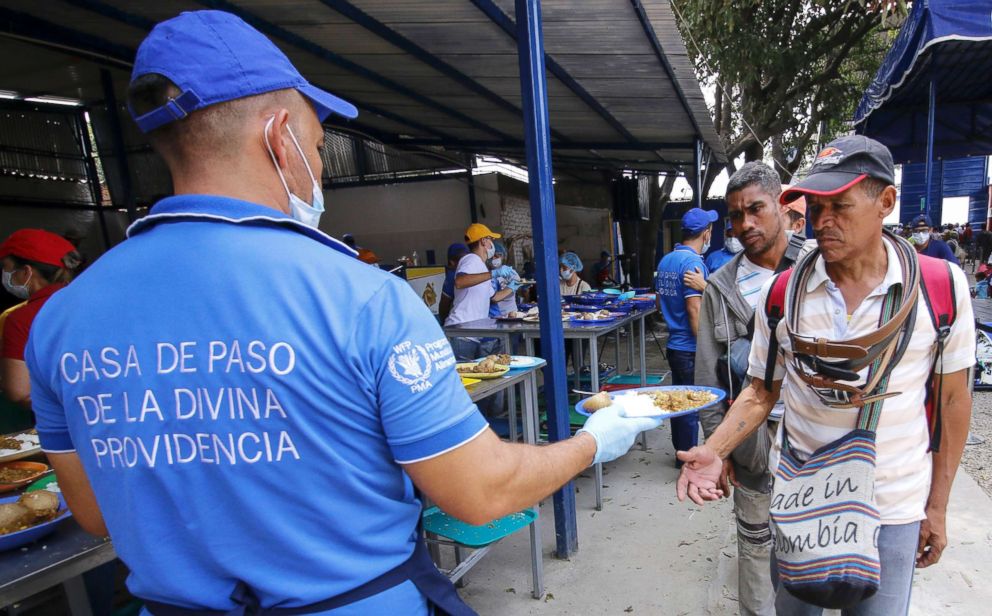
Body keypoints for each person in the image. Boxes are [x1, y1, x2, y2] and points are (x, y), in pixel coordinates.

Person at [23, 12, 664, 615]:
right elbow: (481, 491)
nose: (320, 170)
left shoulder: (60, 317)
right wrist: (590, 444)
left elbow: (95, 512)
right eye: (316, 140)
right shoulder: (361, 298)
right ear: (279, 136)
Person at [677, 136, 975, 615]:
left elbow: (954, 402)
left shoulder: (940, 287)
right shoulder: (783, 294)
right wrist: (714, 451)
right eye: (816, 207)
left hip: (892, 505)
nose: (823, 221)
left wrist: (936, 506)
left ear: (886, 202)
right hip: (800, 501)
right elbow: (760, 391)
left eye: (840, 205)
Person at [694, 163, 794, 616]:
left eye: (756, 209)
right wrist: (721, 450)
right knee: (755, 547)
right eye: (735, 216)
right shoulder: (721, 286)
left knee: (810, 553)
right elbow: (709, 379)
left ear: (781, 206)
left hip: (814, 446)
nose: (745, 224)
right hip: (751, 446)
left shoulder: (818, 268)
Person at [656, 207, 718, 463]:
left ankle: (681, 453)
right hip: (690, 347)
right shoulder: (693, 264)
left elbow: (659, 303)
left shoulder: (666, 260)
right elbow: (695, 310)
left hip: (674, 344)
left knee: (680, 401)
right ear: (706, 233)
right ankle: (690, 457)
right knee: (694, 404)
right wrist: (706, 346)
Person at [1, 229, 80, 417]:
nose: (4, 274)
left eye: (6, 267)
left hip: (64, 425)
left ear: (27, 271)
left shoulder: (22, 318)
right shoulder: (99, 302)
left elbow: (20, 391)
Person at [445, 223, 515, 362]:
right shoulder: (471, 259)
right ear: (483, 241)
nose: (492, 243)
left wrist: (513, 287)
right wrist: (493, 274)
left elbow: (494, 298)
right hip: (462, 332)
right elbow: (460, 281)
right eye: (490, 239)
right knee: (465, 381)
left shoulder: (481, 266)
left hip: (471, 333)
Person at [439, 242, 468, 322]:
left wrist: (443, 322)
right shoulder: (453, 274)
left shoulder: (452, 275)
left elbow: (444, 304)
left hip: (459, 322)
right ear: (452, 262)